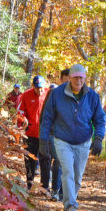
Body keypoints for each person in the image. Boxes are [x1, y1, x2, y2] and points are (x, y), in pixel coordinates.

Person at [38, 64, 106, 211]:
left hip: (83, 142)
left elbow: (100, 119)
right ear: (69, 77)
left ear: (85, 78)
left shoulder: (92, 97)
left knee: (77, 176)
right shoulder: (57, 94)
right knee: (67, 171)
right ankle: (71, 206)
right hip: (62, 140)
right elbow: (47, 118)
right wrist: (43, 140)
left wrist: (98, 138)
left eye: (82, 77)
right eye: (76, 77)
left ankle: (70, 203)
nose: (79, 80)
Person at [18, 75, 50, 192]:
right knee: (29, 159)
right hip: (30, 133)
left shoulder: (49, 94)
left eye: (41, 87)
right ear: (33, 86)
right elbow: (20, 112)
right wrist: (23, 121)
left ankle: (45, 185)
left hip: (45, 134)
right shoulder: (26, 95)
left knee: (45, 159)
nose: (40, 90)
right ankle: (29, 182)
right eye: (37, 88)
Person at [47, 68, 71, 201]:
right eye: (65, 80)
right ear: (61, 79)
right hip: (54, 133)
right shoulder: (53, 93)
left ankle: (63, 191)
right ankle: (56, 190)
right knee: (59, 161)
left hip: (70, 135)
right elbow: (46, 114)